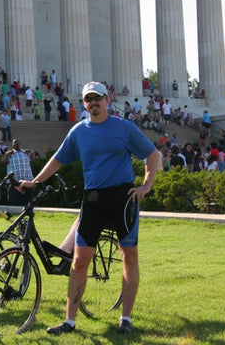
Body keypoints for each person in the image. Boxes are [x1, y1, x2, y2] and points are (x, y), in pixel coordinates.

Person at [19, 82, 159, 335]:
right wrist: (36, 181)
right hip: (93, 199)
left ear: (107, 100)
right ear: (84, 104)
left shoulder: (123, 128)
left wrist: (146, 185)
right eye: (88, 99)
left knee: (129, 257)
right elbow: (59, 159)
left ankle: (125, 318)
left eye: (97, 98)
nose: (93, 103)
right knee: (80, 260)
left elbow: (153, 155)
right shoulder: (78, 131)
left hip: (122, 197)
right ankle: (69, 322)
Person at [2, 139, 35, 206]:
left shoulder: (25, 153)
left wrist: (32, 153)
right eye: (14, 143)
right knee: (14, 202)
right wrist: (6, 154)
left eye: (16, 142)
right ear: (12, 144)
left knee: (28, 202)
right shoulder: (10, 154)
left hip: (26, 181)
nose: (15, 144)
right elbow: (3, 162)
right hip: (14, 183)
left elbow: (32, 160)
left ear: (19, 143)